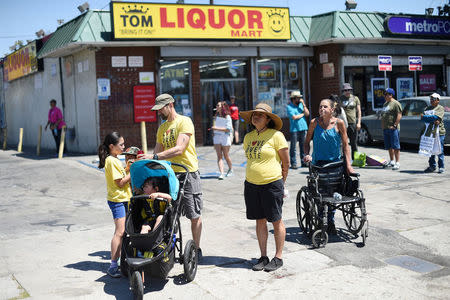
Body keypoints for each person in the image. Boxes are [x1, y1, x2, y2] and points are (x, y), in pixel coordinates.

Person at [138, 93, 203, 259]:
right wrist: (144, 162)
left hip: (187, 172)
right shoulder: (162, 128)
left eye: (161, 109)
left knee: (193, 214)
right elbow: (157, 152)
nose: (159, 112)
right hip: (169, 174)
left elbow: (180, 148)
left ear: (170, 105)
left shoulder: (184, 121)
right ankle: (167, 247)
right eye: (157, 109)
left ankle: (197, 247)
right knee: (169, 213)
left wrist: (154, 157)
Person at [240, 102, 289, 272]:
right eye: (255, 114)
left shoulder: (276, 136)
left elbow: (286, 163)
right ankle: (263, 256)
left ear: (268, 119)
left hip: (272, 184)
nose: (256, 116)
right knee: (259, 220)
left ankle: (278, 257)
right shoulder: (248, 138)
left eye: (260, 115)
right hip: (251, 184)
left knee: (276, 220)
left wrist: (281, 185)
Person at [303, 99, 354, 235]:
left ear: (332, 109)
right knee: (321, 195)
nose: (321, 109)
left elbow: (345, 145)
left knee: (334, 195)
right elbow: (307, 142)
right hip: (319, 165)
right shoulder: (314, 123)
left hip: (335, 165)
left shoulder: (339, 123)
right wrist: (307, 154)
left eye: (325, 107)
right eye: (320, 107)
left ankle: (329, 220)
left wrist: (348, 164)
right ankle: (322, 219)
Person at [97, 132, 131, 278]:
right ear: (112, 146)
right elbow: (120, 182)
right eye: (121, 145)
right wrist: (134, 172)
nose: (124, 147)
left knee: (124, 232)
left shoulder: (115, 159)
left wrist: (128, 168)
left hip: (123, 198)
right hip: (118, 201)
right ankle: (112, 265)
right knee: (120, 232)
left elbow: (121, 175)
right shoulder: (111, 161)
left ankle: (120, 261)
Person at [421, 93, 446, 173]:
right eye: (431, 99)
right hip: (430, 132)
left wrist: (427, 117)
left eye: (433, 99)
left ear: (438, 100)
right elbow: (424, 119)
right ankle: (432, 166)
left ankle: (441, 166)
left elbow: (436, 117)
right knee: (430, 150)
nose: (431, 101)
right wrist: (429, 118)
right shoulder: (427, 108)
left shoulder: (440, 108)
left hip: (439, 132)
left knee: (440, 150)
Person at [381, 88, 402, 170]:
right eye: (384, 94)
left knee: (395, 146)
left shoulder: (396, 103)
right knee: (389, 146)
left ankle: (397, 162)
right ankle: (392, 161)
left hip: (393, 129)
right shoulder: (385, 104)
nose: (385, 96)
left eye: (386, 94)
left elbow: (399, 115)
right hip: (386, 128)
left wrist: (395, 125)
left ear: (391, 95)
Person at [286, 90, 309, 169]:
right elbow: (294, 117)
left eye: (300, 98)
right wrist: (302, 114)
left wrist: (303, 104)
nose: (299, 99)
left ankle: (303, 162)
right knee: (293, 147)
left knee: (303, 146)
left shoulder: (301, 105)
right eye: (298, 98)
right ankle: (293, 163)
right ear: (293, 99)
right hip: (294, 129)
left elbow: (307, 114)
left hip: (303, 128)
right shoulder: (289, 107)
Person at [211, 101, 233, 180]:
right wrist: (213, 131)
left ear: (222, 107)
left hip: (225, 137)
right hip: (217, 137)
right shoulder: (216, 116)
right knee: (219, 156)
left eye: (218, 105)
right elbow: (214, 126)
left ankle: (230, 169)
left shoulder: (227, 117)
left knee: (226, 156)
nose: (216, 106)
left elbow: (228, 129)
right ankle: (221, 173)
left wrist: (216, 128)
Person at [339, 83, 361, 159]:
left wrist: (359, 123)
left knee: (353, 143)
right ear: (343, 91)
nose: (347, 91)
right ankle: (344, 159)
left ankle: (355, 159)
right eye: (345, 90)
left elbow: (359, 111)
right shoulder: (340, 99)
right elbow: (338, 111)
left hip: (353, 123)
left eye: (349, 90)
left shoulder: (355, 98)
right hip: (343, 123)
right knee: (343, 142)